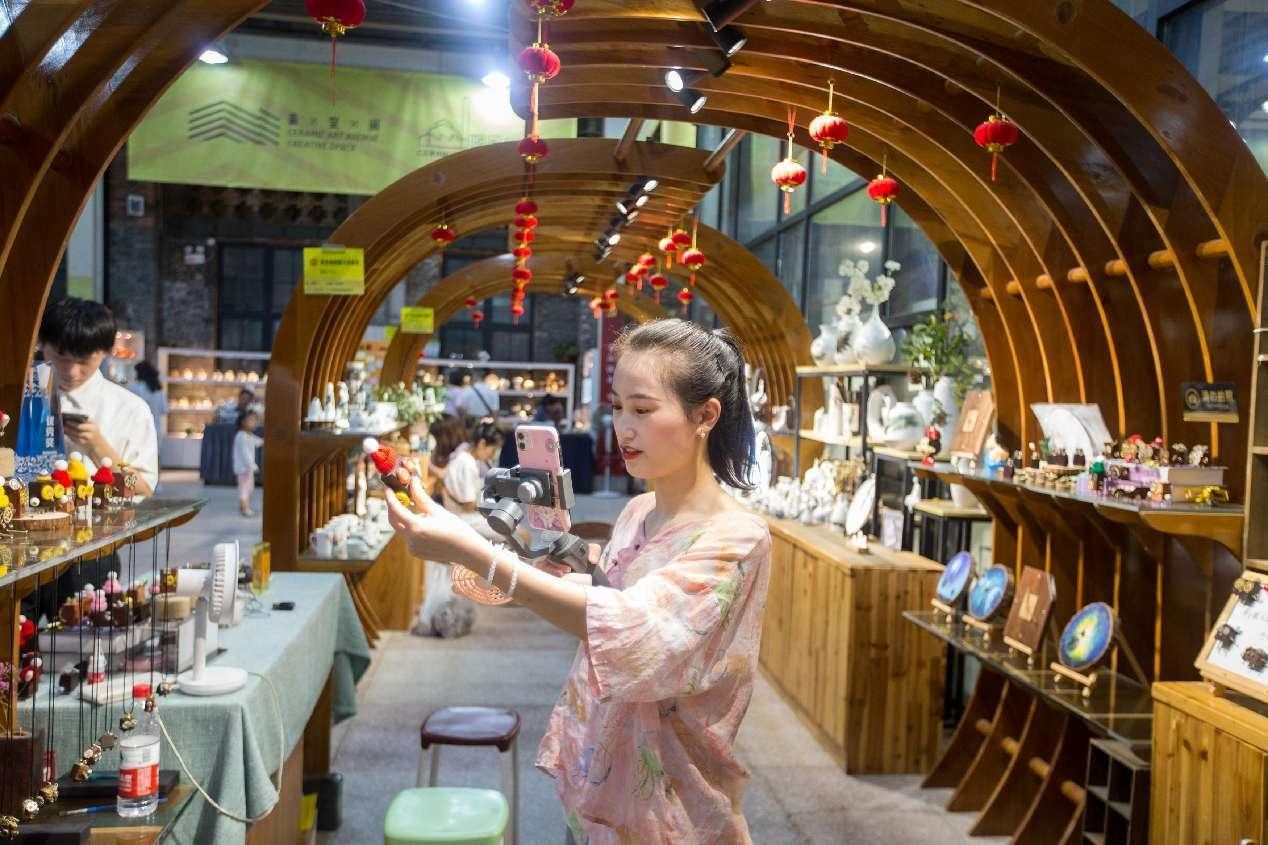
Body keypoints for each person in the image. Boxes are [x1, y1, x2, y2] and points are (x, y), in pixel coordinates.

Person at [386, 319, 769, 842]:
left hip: (675, 806)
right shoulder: (638, 512)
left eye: (642, 408)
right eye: (616, 406)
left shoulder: (737, 538)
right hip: (601, 776)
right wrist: (484, 546)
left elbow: (637, 634)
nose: (622, 427)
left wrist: (474, 552)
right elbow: (603, 610)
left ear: (705, 415)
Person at [39, 298, 157, 495]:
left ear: (105, 353)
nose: (72, 371)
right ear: (41, 345)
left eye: (84, 361)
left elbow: (143, 491)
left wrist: (98, 447)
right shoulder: (21, 401)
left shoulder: (131, 409)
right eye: (62, 358)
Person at [441, 420, 503, 539]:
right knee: (522, 534)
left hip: (459, 515)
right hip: (465, 519)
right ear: (482, 444)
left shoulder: (464, 456)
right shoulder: (468, 464)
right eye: (493, 450)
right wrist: (493, 506)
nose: (493, 455)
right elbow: (468, 504)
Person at [127, 360, 167, 443]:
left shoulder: (134, 388)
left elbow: (128, 410)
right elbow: (164, 409)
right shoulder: (158, 389)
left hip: (138, 431)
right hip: (156, 431)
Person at [232, 409, 262, 517]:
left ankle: (243, 506)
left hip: (247, 468)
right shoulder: (241, 436)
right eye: (251, 420)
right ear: (243, 422)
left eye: (255, 420)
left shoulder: (249, 435)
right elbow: (245, 454)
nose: (254, 423)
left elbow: (258, 442)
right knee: (244, 488)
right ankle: (245, 508)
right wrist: (253, 466)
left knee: (249, 488)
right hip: (243, 468)